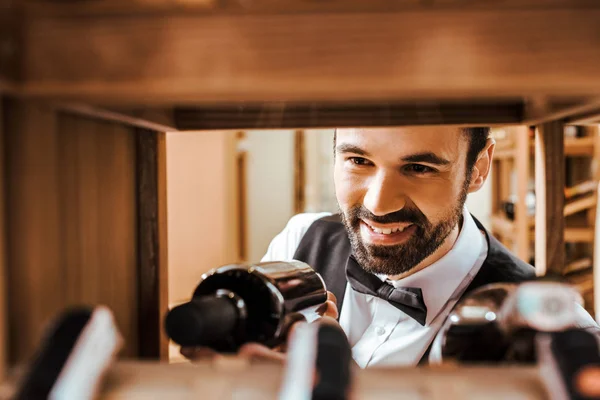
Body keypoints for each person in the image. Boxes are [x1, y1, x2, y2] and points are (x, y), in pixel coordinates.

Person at [182, 126, 598, 367]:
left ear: (478, 169)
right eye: (358, 161)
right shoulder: (298, 241)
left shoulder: (558, 334)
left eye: (418, 168)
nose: (379, 204)